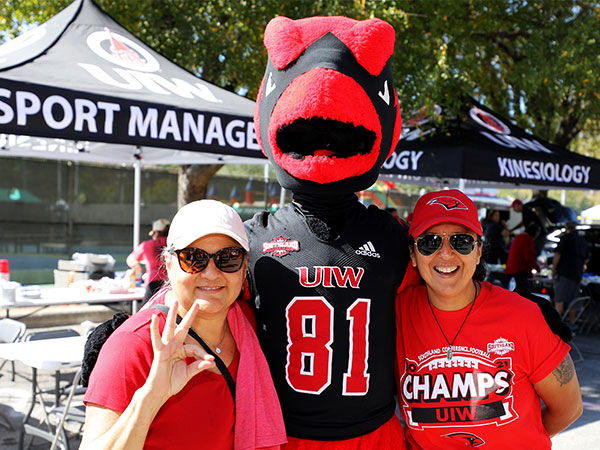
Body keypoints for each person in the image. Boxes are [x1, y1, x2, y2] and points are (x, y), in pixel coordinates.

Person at [247, 16, 409, 449]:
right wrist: (130, 335)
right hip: (283, 434)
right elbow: (194, 288)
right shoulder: (250, 239)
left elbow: (450, 286)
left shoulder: (395, 236)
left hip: (373, 433)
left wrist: (522, 308)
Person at [81, 200, 286, 450]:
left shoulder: (248, 325)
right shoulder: (135, 344)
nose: (211, 273)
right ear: (168, 265)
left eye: (228, 258)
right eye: (193, 258)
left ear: (244, 268)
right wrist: (150, 398)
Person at [396, 189, 582, 449]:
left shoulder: (522, 315)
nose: (446, 253)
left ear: (479, 250)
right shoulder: (396, 314)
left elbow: (568, 407)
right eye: (430, 242)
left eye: (461, 241)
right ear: (414, 255)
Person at [552, 221, 589, 326]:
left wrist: (554, 269)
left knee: (559, 299)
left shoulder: (565, 239)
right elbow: (586, 258)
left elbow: (557, 255)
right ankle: (572, 324)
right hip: (577, 274)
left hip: (565, 273)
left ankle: (556, 325)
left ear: (566, 229)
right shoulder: (582, 241)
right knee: (574, 301)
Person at [126, 218, 170, 304]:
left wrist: (137, 267)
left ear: (156, 232)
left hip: (153, 283)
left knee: (146, 312)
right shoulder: (174, 244)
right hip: (171, 283)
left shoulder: (146, 245)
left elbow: (131, 260)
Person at [505, 223, 541, 292]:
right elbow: (528, 257)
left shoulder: (518, 237)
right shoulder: (528, 239)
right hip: (519, 271)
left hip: (511, 269)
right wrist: (537, 268)